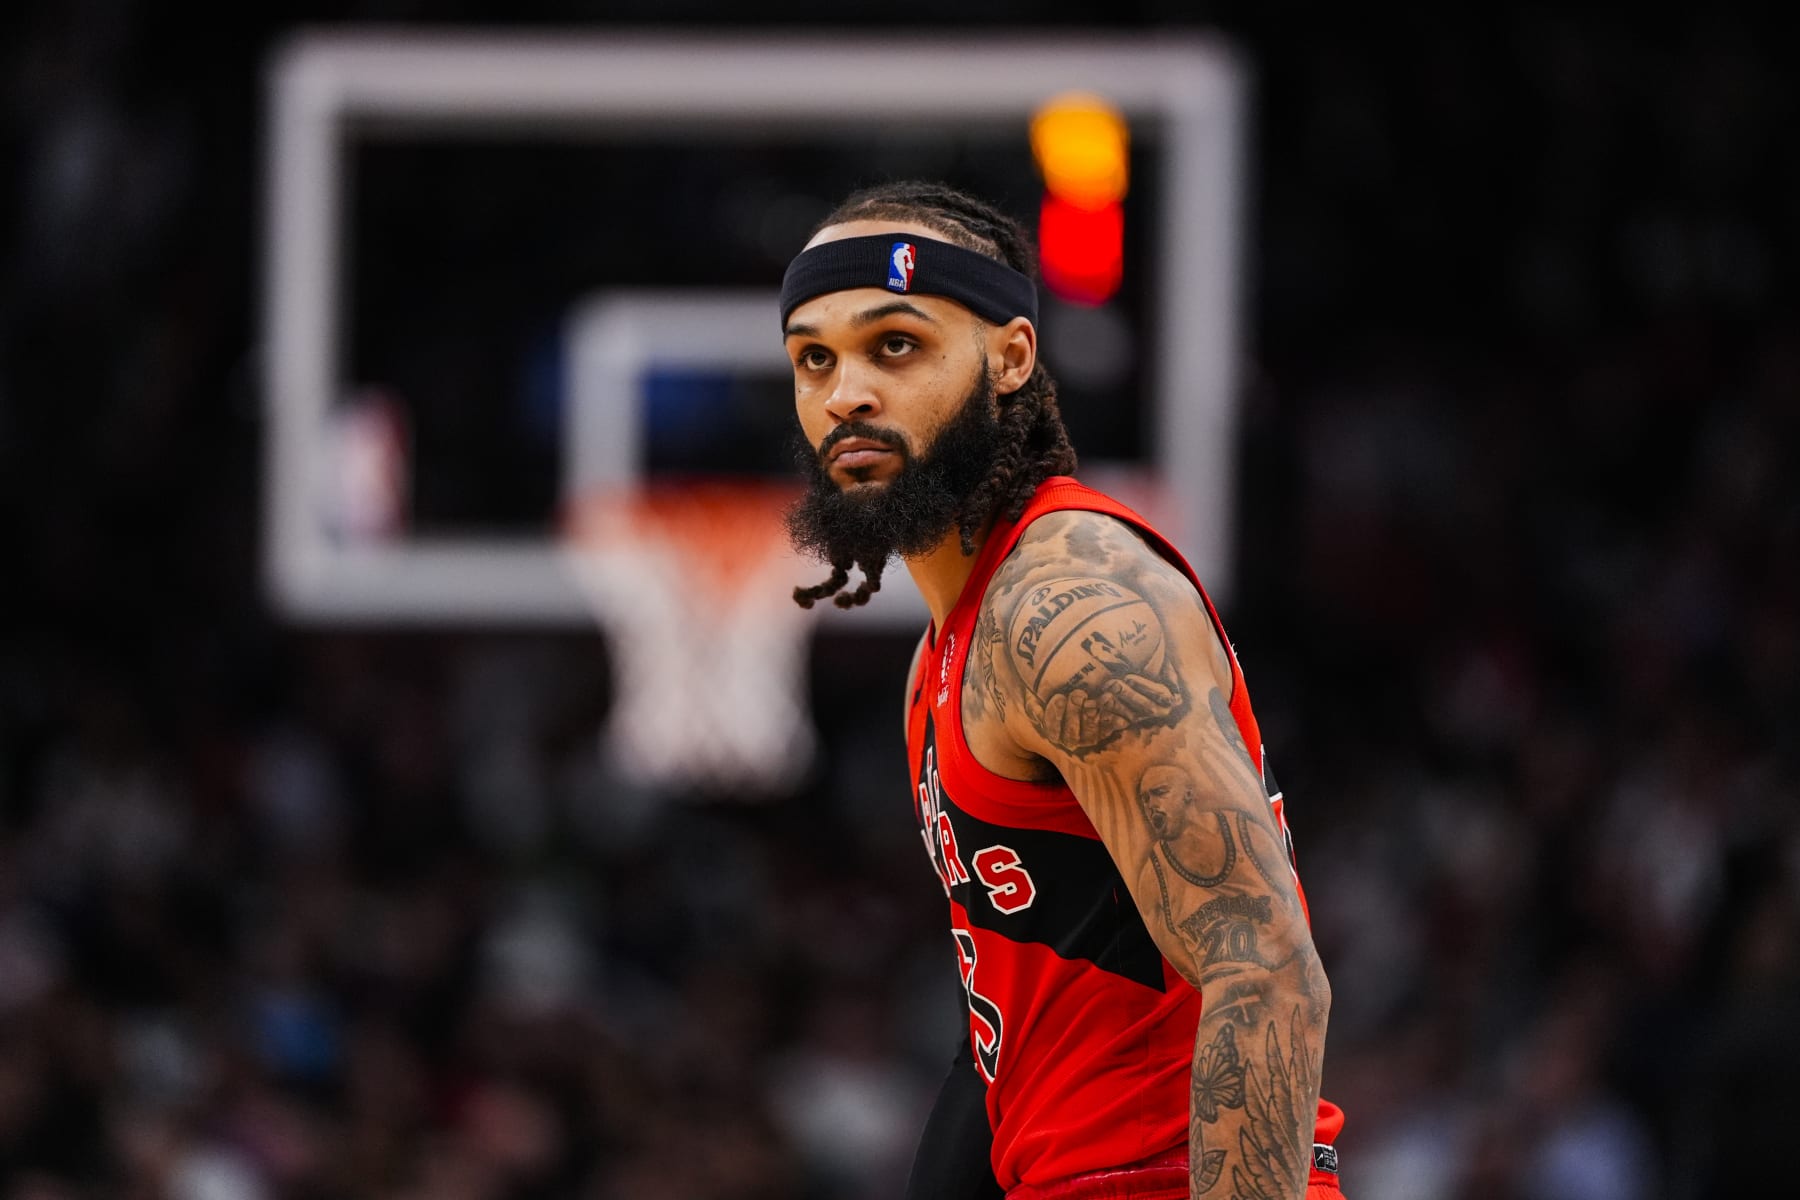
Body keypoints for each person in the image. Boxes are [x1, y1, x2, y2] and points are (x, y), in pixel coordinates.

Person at [780, 181, 1346, 1200]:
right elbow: (1007, 1041)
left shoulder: (1070, 605)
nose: (845, 394)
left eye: (894, 345)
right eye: (814, 358)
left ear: (1011, 355)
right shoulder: (948, 650)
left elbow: (1264, 969)